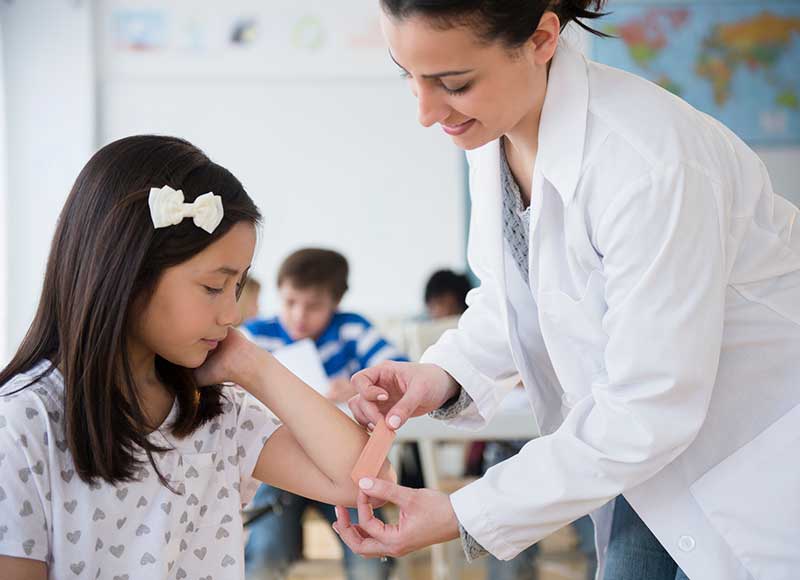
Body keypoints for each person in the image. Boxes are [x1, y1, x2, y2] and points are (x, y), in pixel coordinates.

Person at [335, 2, 800, 580]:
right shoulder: (496, 132)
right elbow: (528, 297)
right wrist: (442, 374)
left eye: (453, 83)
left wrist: (465, 512)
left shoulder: (649, 165)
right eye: (409, 77)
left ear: (541, 40)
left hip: (750, 464)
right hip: (643, 469)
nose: (427, 113)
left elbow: (650, 402)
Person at [0, 135, 391, 580]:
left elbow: (369, 484)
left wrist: (253, 365)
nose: (233, 314)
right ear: (128, 270)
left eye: (238, 287)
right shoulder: (21, 426)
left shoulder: (214, 410)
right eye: (212, 287)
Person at [244, 248, 404, 580]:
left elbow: (400, 370)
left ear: (335, 302)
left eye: (313, 306)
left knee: (370, 561)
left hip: (347, 470)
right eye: (290, 302)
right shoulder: (257, 336)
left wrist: (357, 385)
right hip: (279, 470)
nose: (299, 315)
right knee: (264, 555)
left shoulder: (351, 330)